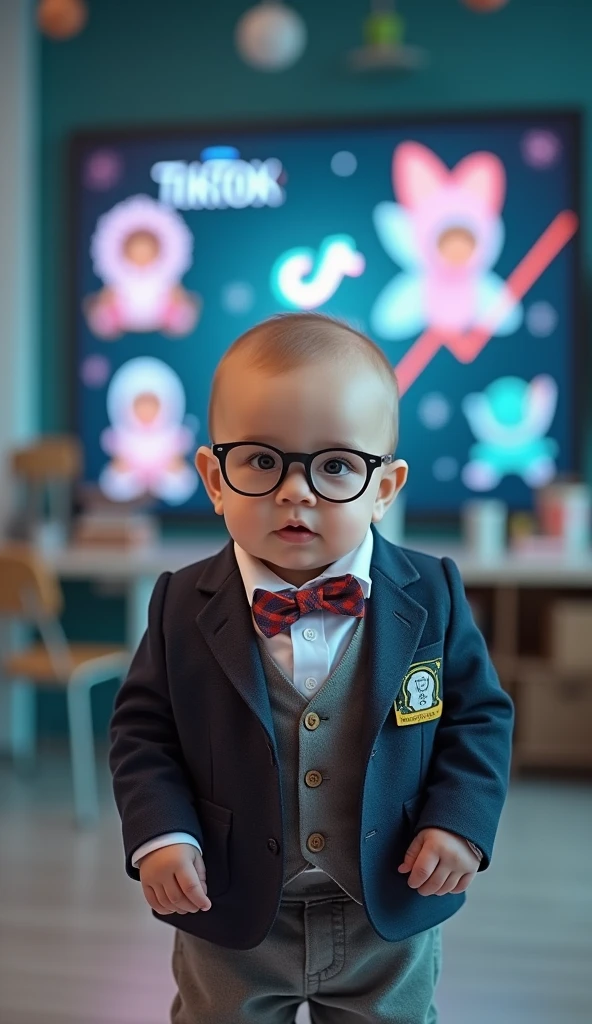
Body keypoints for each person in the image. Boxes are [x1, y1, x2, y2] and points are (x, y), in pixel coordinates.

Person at [109, 312, 514, 1023]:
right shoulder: (180, 602)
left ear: (384, 488)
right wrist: (162, 835)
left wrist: (459, 823)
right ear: (213, 477)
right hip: (231, 908)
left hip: (385, 902)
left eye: (335, 465)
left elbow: (480, 717)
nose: (296, 492)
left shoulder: (434, 592)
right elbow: (143, 733)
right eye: (262, 461)